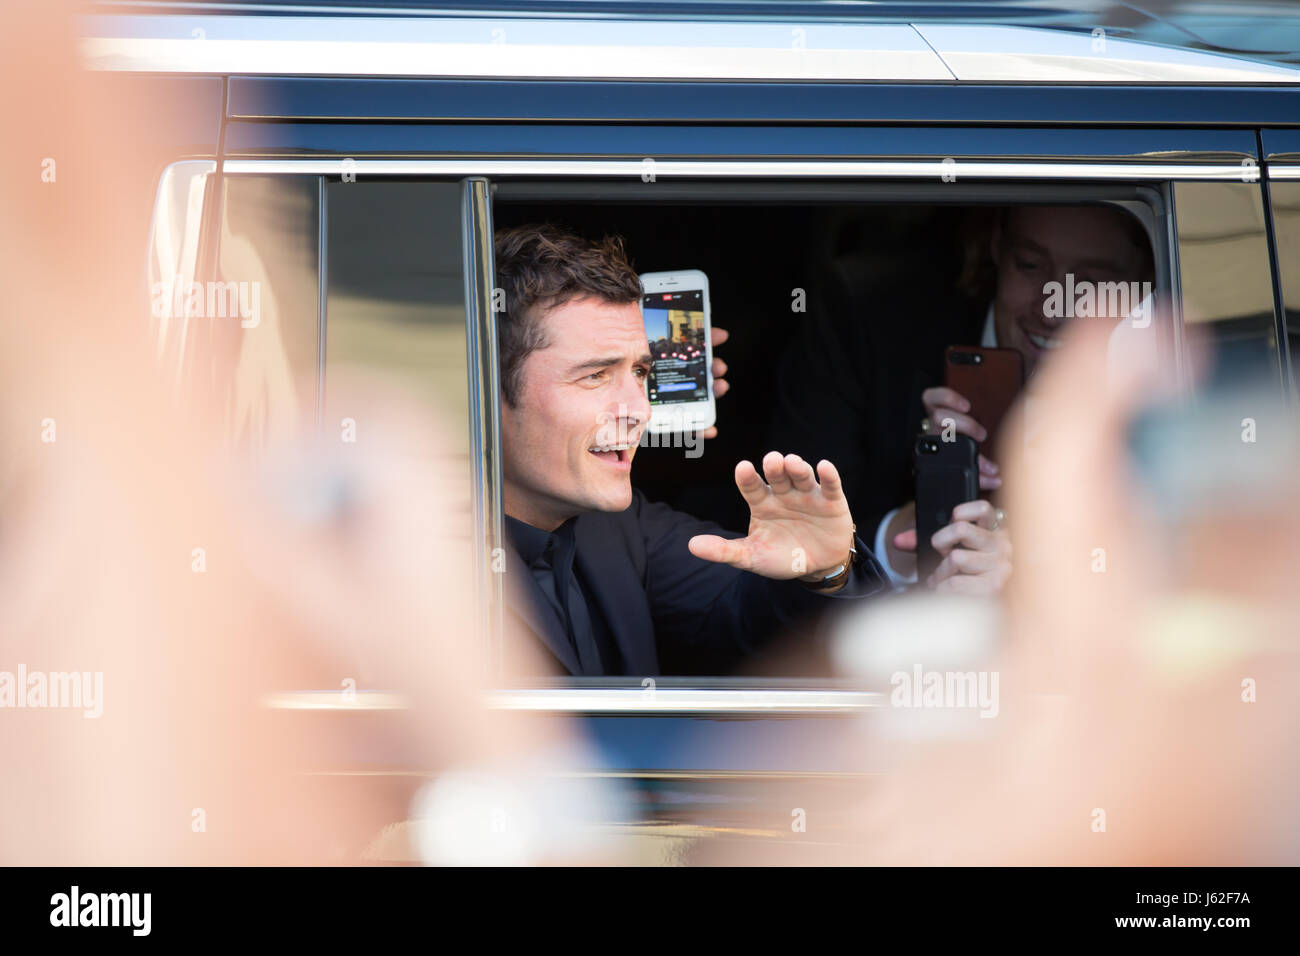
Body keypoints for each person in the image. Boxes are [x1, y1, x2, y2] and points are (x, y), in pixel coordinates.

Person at [495, 225, 888, 676]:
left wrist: (821, 570)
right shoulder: (416, 563)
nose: (638, 410)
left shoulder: (622, 529)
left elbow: (759, 624)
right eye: (595, 376)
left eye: (641, 372)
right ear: (487, 390)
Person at [768, 204, 1154, 594]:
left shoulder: (1166, 383)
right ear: (996, 247)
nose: (1052, 309)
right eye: (1029, 265)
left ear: (1143, 283)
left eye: (1090, 283)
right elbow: (792, 552)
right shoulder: (868, 318)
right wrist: (920, 516)